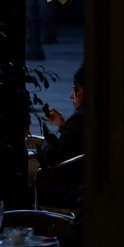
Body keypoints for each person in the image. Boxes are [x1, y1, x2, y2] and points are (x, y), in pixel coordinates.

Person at [34, 63, 85, 209]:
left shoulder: (81, 119)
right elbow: (72, 143)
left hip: (69, 190)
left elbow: (51, 156)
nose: (71, 95)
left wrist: (46, 142)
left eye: (76, 90)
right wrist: (63, 126)